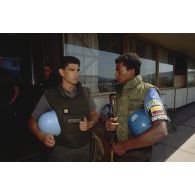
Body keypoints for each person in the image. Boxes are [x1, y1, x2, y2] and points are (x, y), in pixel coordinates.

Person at [28, 56, 99, 162]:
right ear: (61, 72)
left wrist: (90, 123)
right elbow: (32, 120)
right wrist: (41, 136)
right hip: (61, 150)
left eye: (78, 70)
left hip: (84, 148)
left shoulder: (85, 92)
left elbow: (94, 114)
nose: (76, 74)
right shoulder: (50, 94)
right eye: (72, 70)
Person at [105, 52, 168, 162]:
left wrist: (125, 146)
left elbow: (161, 130)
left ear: (131, 72)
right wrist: (109, 124)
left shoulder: (149, 91)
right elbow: (119, 118)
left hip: (138, 155)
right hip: (118, 150)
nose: (115, 74)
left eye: (118, 70)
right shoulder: (120, 92)